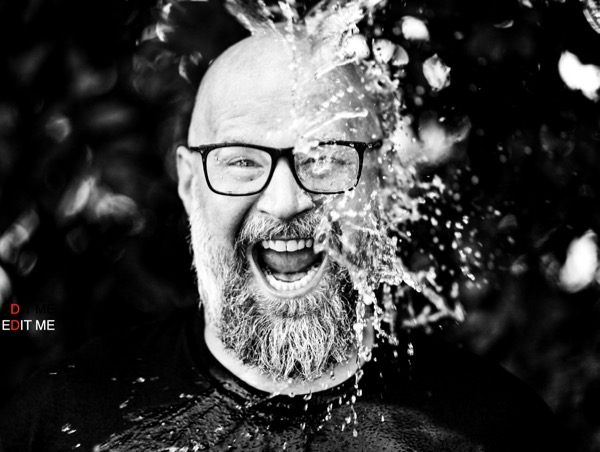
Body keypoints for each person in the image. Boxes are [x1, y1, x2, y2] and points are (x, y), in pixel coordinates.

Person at [0, 24, 565, 452]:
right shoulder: (59, 419)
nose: (286, 201)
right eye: (242, 161)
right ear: (189, 182)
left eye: (325, 159)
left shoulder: (496, 431)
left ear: (383, 179)